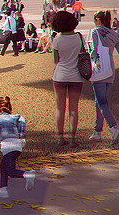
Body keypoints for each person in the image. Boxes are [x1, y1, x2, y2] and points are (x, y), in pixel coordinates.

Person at [51, 10, 85, 146]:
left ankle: (60, 138)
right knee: (73, 109)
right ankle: (72, 139)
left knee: (60, 108)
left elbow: (55, 60)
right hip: (76, 76)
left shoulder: (57, 39)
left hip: (60, 75)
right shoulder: (79, 38)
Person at [88, 10, 119, 145]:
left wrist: (89, 58)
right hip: (110, 69)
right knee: (99, 100)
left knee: (101, 102)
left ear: (98, 20)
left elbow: (94, 50)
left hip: (99, 68)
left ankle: (113, 128)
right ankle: (97, 131)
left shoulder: (96, 31)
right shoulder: (114, 33)